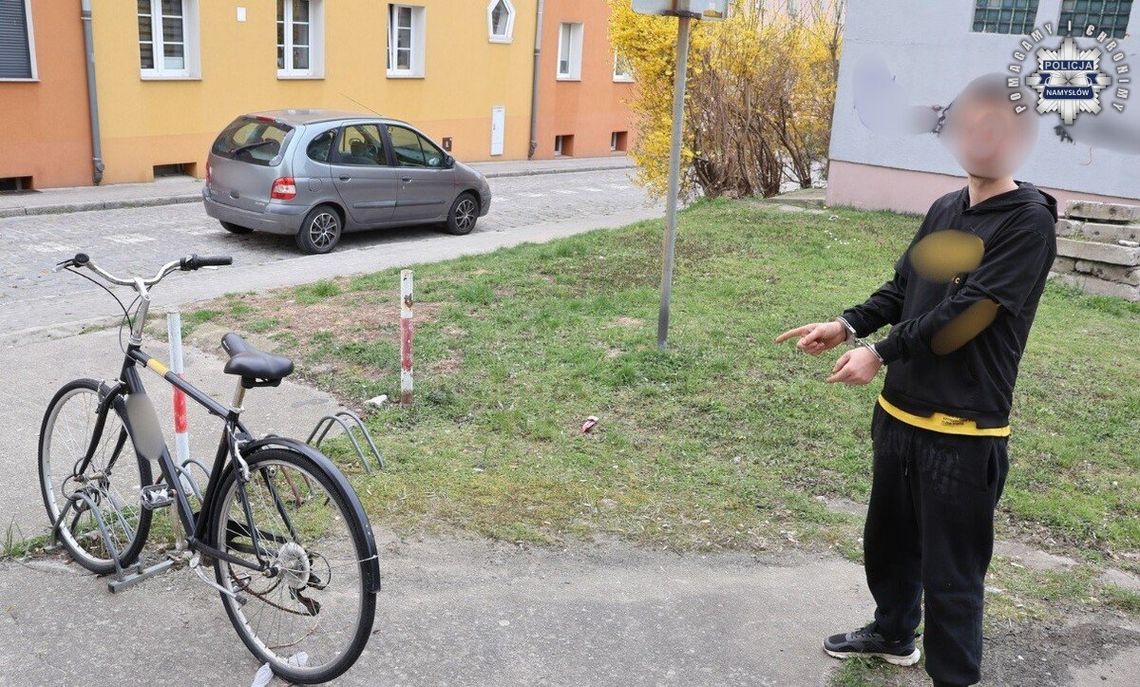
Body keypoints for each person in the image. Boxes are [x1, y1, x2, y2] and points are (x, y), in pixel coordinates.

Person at [775, 74, 1057, 687]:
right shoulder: (946, 208)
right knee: (889, 544)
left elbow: (969, 315)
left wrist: (879, 352)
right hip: (900, 415)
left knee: (953, 576)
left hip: (963, 431)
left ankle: (953, 678)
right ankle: (894, 632)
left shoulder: (1027, 224)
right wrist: (848, 325)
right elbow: (908, 289)